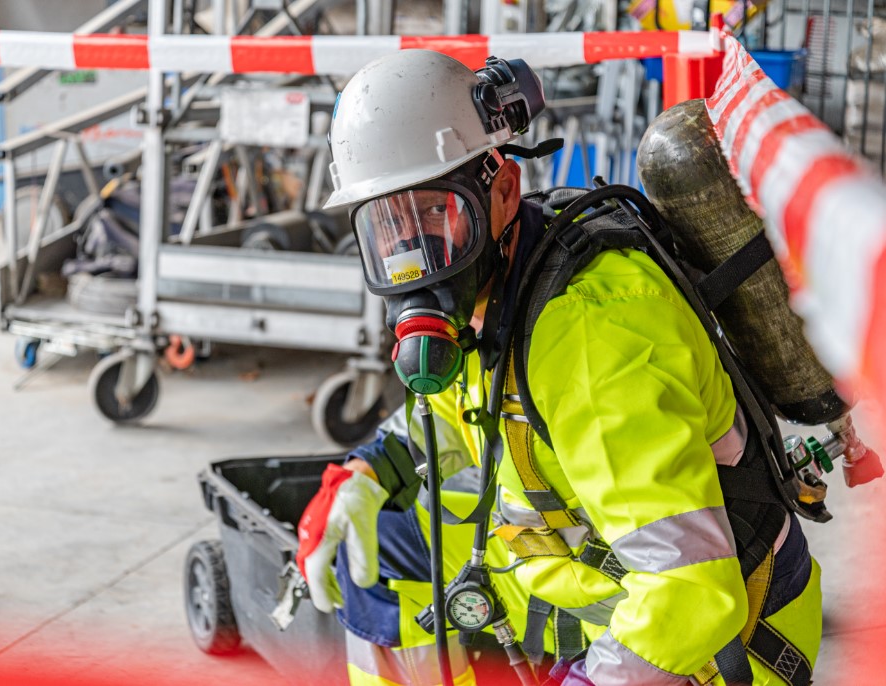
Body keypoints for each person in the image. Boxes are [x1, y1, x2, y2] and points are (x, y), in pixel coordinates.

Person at [295, 49, 822, 686]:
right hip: (578, 577)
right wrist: (365, 474)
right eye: (388, 226)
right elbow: (453, 417)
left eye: (437, 213)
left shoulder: (593, 335)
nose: (416, 254)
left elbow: (688, 588)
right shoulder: (497, 293)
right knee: (379, 558)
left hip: (718, 643)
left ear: (503, 191)